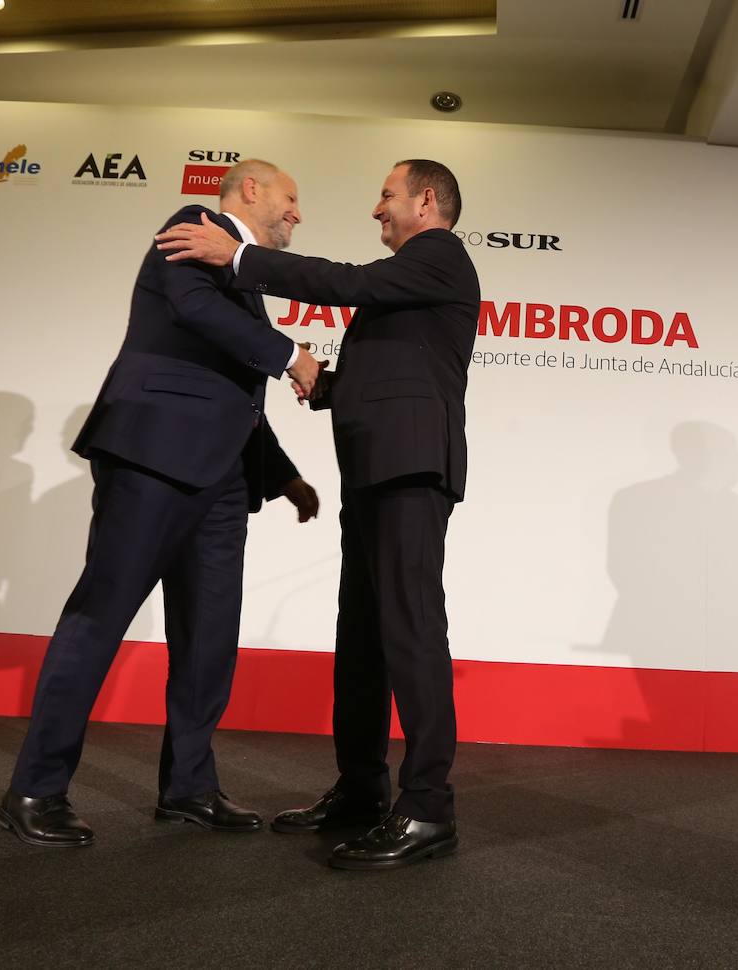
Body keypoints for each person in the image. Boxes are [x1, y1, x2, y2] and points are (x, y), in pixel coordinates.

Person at [156, 159, 478, 869]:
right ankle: (362, 789)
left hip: (412, 471)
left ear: (426, 202)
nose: (377, 209)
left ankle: (428, 809)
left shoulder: (440, 255)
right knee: (362, 639)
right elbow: (396, 366)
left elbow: (344, 280)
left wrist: (239, 256)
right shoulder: (414, 281)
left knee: (412, 632)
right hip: (373, 473)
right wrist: (326, 384)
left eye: (387, 195)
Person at [0, 160, 323, 848]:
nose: (298, 214)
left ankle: (189, 788)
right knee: (99, 617)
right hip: (151, 460)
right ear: (253, 190)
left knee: (210, 638)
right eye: (292, 200)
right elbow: (194, 311)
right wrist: (291, 355)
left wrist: (283, 475)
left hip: (224, 481)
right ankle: (36, 787)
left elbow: (227, 386)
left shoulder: (240, 269)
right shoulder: (191, 227)